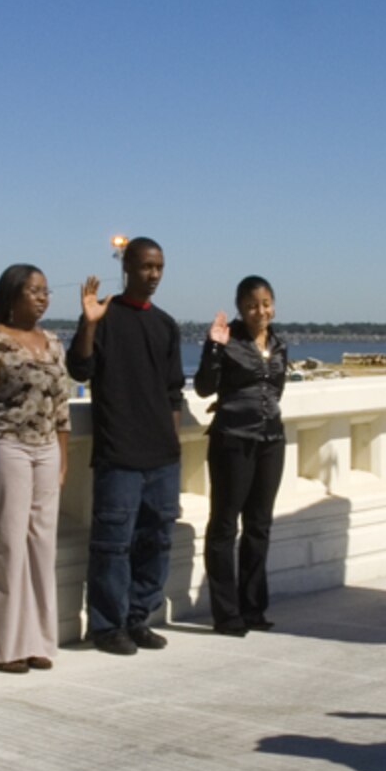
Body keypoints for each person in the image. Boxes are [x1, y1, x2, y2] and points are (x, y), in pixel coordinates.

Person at [66, 237, 183, 656]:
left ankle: (138, 619)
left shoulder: (166, 325)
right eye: (145, 267)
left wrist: (172, 446)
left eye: (159, 268)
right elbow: (78, 367)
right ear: (127, 267)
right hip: (119, 455)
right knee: (112, 545)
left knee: (157, 542)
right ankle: (106, 625)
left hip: (161, 458)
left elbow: (174, 393)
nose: (152, 275)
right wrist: (90, 323)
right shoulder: (105, 316)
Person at [0, 264, 71, 672]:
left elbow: (62, 406)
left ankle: (39, 641)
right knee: (8, 545)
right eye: (33, 291)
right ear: (12, 295)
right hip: (7, 446)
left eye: (45, 291)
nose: (42, 297)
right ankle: (4, 647)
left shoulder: (51, 342)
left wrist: (62, 456)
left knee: (41, 545)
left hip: (46, 449)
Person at [194, 276, 288, 637]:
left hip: (271, 439)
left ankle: (253, 608)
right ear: (239, 308)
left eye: (265, 303)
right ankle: (227, 613)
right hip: (233, 440)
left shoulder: (279, 343)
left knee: (259, 525)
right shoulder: (227, 339)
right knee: (224, 525)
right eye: (251, 305)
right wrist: (214, 348)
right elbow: (204, 387)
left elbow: (276, 389)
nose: (259, 311)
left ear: (273, 304)